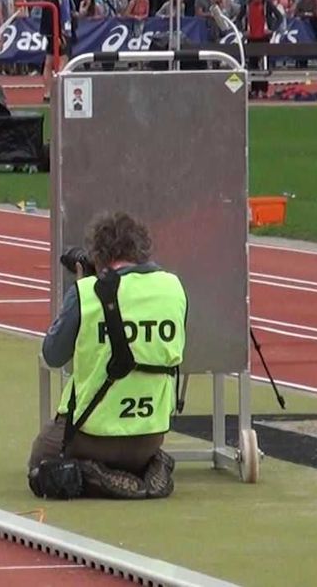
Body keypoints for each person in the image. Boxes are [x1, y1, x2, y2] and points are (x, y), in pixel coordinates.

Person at [27, 212, 186, 500]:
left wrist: (79, 291)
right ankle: (151, 466)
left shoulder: (87, 292)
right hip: (150, 434)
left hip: (91, 436)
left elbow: (53, 355)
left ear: (98, 254)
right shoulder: (173, 288)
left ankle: (93, 475)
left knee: (40, 466)